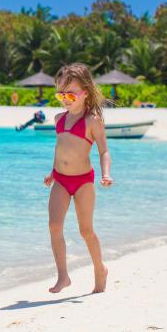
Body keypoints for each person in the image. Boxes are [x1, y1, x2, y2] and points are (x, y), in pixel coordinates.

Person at [44, 63, 113, 295]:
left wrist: (105, 173)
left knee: (86, 230)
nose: (65, 99)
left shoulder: (92, 121)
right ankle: (63, 276)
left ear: (85, 92)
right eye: (61, 95)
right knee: (54, 226)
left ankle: (100, 269)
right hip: (61, 180)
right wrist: (52, 172)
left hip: (83, 181)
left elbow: (104, 151)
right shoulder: (58, 119)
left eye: (71, 94)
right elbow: (61, 149)